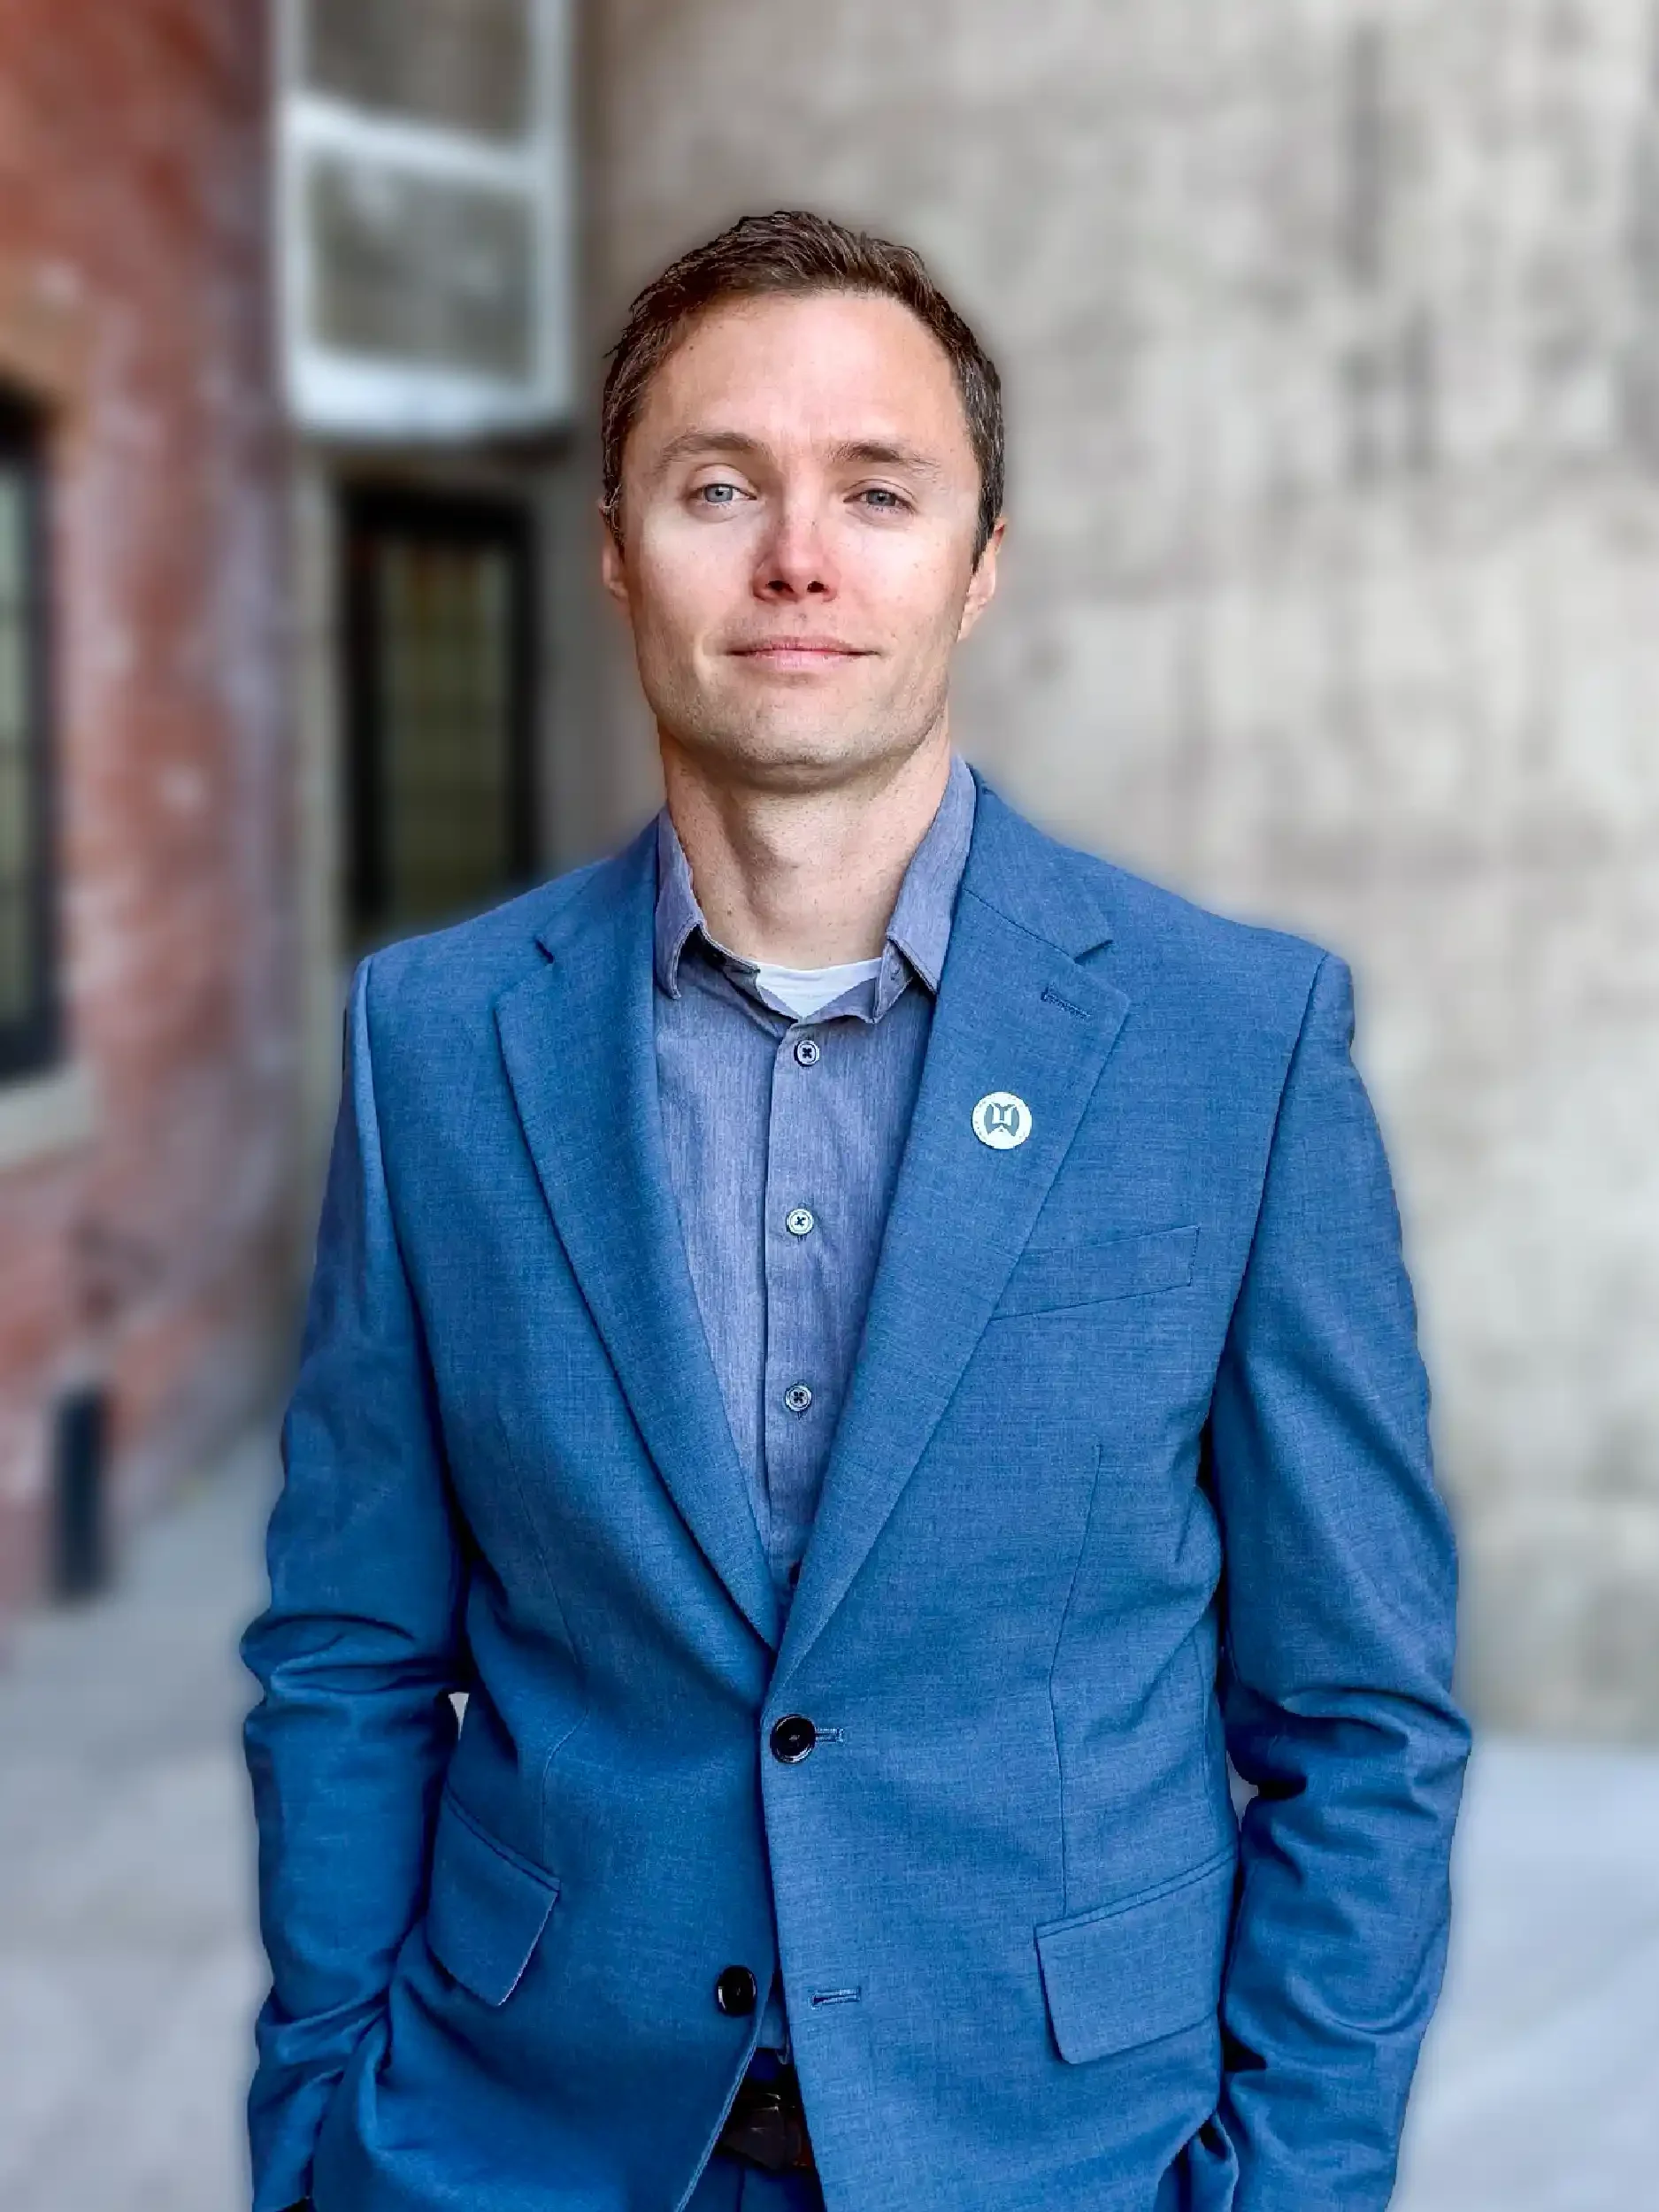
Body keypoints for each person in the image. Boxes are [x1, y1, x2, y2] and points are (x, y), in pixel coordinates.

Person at [242, 210, 1470, 2212]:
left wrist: (1295, 2179)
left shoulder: (1228, 1044)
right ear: (618, 548)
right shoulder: (438, 1039)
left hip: (1067, 2152)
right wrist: (319, 2122)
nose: (797, 554)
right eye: (719, 484)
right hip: (518, 2140)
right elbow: (351, 1648)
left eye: (877, 491)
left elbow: (1358, 1710)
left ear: (979, 565)